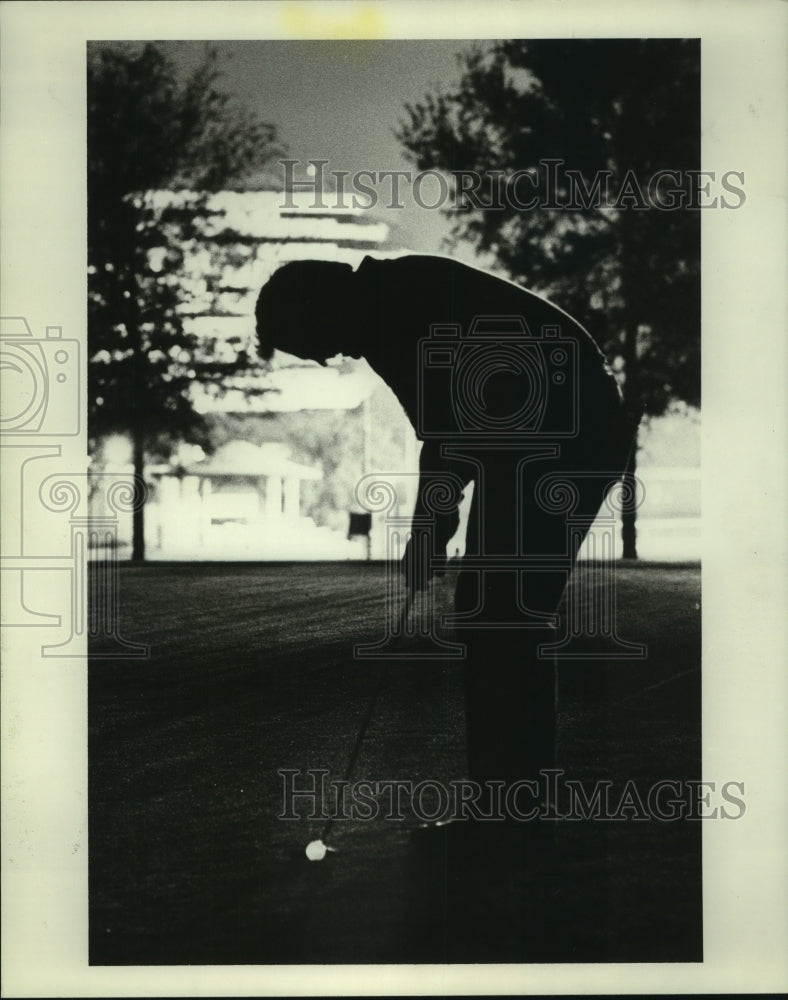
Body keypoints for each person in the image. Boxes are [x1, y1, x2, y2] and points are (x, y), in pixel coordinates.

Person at [255, 253, 636, 813]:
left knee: (501, 611)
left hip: (564, 431)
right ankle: (508, 797)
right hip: (549, 429)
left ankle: (512, 804)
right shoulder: (389, 300)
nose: (322, 356)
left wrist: (429, 532)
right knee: (495, 609)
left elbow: (448, 438)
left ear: (320, 307)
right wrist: (431, 529)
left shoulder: (395, 310)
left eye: (308, 342)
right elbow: (452, 434)